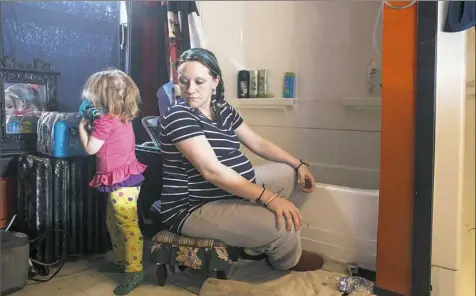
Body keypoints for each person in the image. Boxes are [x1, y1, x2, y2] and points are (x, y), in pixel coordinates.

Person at [154, 48, 324, 272]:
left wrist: (298, 163)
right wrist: (269, 198)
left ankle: (254, 242)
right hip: (193, 207)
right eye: (184, 82)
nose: (190, 90)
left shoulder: (222, 108)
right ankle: (286, 259)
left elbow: (257, 143)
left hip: (226, 191)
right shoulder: (179, 115)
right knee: (283, 227)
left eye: (199, 81)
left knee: (289, 174)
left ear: (215, 81)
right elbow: (212, 171)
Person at [78, 69, 147, 295]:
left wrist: (81, 127)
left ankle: (134, 269)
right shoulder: (121, 116)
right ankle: (120, 260)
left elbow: (91, 149)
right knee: (113, 221)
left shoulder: (105, 122)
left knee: (126, 225)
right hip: (123, 177)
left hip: (121, 179)